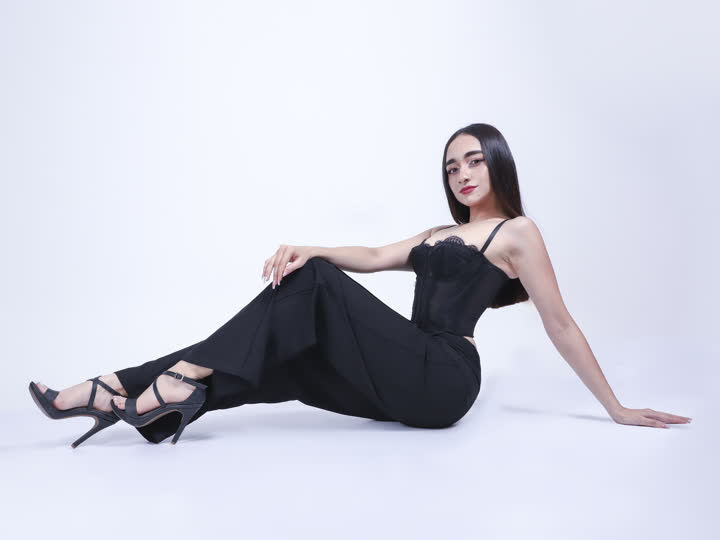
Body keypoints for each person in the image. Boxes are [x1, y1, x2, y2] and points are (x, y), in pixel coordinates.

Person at [28, 123, 692, 447]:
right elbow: (374, 256)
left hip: (445, 377)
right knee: (290, 352)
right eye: (451, 166)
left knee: (314, 284)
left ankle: (173, 380)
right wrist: (310, 245)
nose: (462, 174)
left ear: (497, 164)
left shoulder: (517, 232)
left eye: (474, 161)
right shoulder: (439, 231)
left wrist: (616, 407)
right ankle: (124, 392)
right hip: (405, 366)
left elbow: (560, 323)